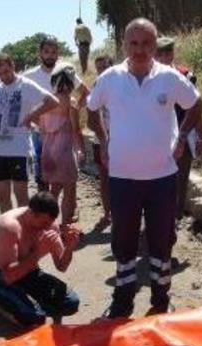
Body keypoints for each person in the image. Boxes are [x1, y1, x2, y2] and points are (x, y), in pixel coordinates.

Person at [87, 18, 202, 318]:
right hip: (123, 177)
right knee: (123, 242)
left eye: (146, 43)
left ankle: (161, 300)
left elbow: (196, 103)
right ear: (124, 45)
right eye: (133, 43)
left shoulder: (170, 77)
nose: (139, 50)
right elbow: (90, 112)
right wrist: (103, 140)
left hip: (162, 177)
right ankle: (123, 302)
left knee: (161, 240)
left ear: (155, 45)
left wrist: (181, 143)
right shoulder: (110, 78)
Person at [0, 191, 81, 327]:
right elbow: (8, 277)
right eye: (44, 222)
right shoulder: (9, 227)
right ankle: (0, 306)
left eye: (50, 223)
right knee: (36, 320)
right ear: (32, 213)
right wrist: (39, 252)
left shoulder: (50, 224)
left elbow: (61, 266)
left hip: (28, 272)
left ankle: (24, 303)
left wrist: (69, 247)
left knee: (71, 302)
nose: (47, 227)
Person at [0, 53, 59, 213]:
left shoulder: (26, 84)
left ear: (13, 66)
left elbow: (53, 102)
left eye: (6, 71)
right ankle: (9, 232)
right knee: (3, 197)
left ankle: (25, 233)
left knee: (21, 196)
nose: (3, 77)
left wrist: (31, 116)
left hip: (19, 149)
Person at [23, 35, 89, 192]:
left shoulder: (66, 72)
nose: (50, 55)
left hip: (64, 135)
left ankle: (69, 210)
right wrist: (34, 121)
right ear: (40, 53)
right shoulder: (29, 76)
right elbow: (23, 103)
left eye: (53, 52)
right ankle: (45, 213)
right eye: (46, 51)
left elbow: (85, 93)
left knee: (67, 178)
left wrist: (73, 111)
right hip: (39, 134)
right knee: (42, 179)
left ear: (57, 54)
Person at [155, 36, 202, 219]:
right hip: (158, 137)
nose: (163, 57)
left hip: (183, 134)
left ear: (172, 54)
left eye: (167, 53)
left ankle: (174, 217)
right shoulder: (148, 77)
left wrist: (200, 136)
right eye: (159, 54)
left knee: (181, 177)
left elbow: (197, 106)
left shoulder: (186, 76)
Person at [41, 67, 84, 224]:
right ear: (70, 83)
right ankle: (65, 225)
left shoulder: (46, 101)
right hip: (65, 151)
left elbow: (42, 129)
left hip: (48, 151)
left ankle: (48, 225)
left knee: (53, 190)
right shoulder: (70, 102)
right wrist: (81, 150)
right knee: (68, 190)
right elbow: (76, 129)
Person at [91, 55, 114, 226]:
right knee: (104, 179)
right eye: (98, 68)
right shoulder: (97, 85)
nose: (101, 71)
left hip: (121, 139)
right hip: (100, 139)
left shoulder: (122, 83)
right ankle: (107, 213)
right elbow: (93, 114)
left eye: (104, 67)